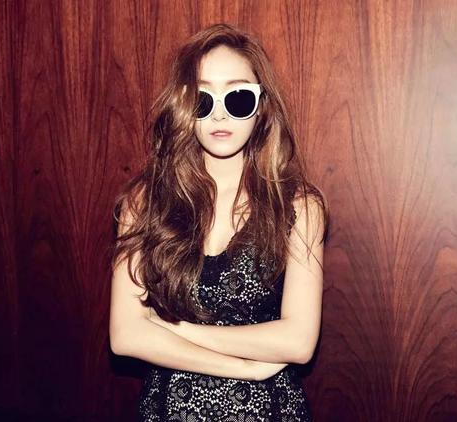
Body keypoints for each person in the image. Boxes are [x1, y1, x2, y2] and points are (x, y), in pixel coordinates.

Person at [109, 22, 329, 421]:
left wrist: (175, 328)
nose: (220, 114)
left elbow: (298, 342)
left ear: (262, 106)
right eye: (202, 99)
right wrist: (244, 367)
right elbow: (125, 336)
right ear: (183, 107)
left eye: (238, 97)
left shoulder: (299, 207)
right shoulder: (145, 201)